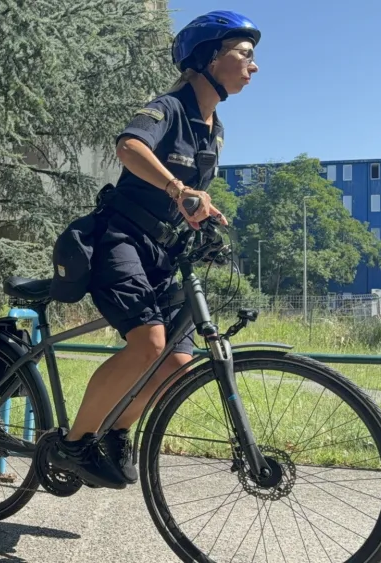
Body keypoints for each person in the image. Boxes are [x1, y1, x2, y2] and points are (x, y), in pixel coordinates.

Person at [49, 11, 260, 489]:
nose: (253, 66)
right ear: (209, 57)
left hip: (164, 253)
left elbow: (189, 196)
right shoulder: (167, 107)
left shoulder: (214, 129)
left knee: (176, 364)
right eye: (244, 54)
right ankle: (74, 442)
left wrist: (204, 215)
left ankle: (116, 433)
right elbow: (128, 148)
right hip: (119, 239)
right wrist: (177, 188)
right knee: (149, 343)